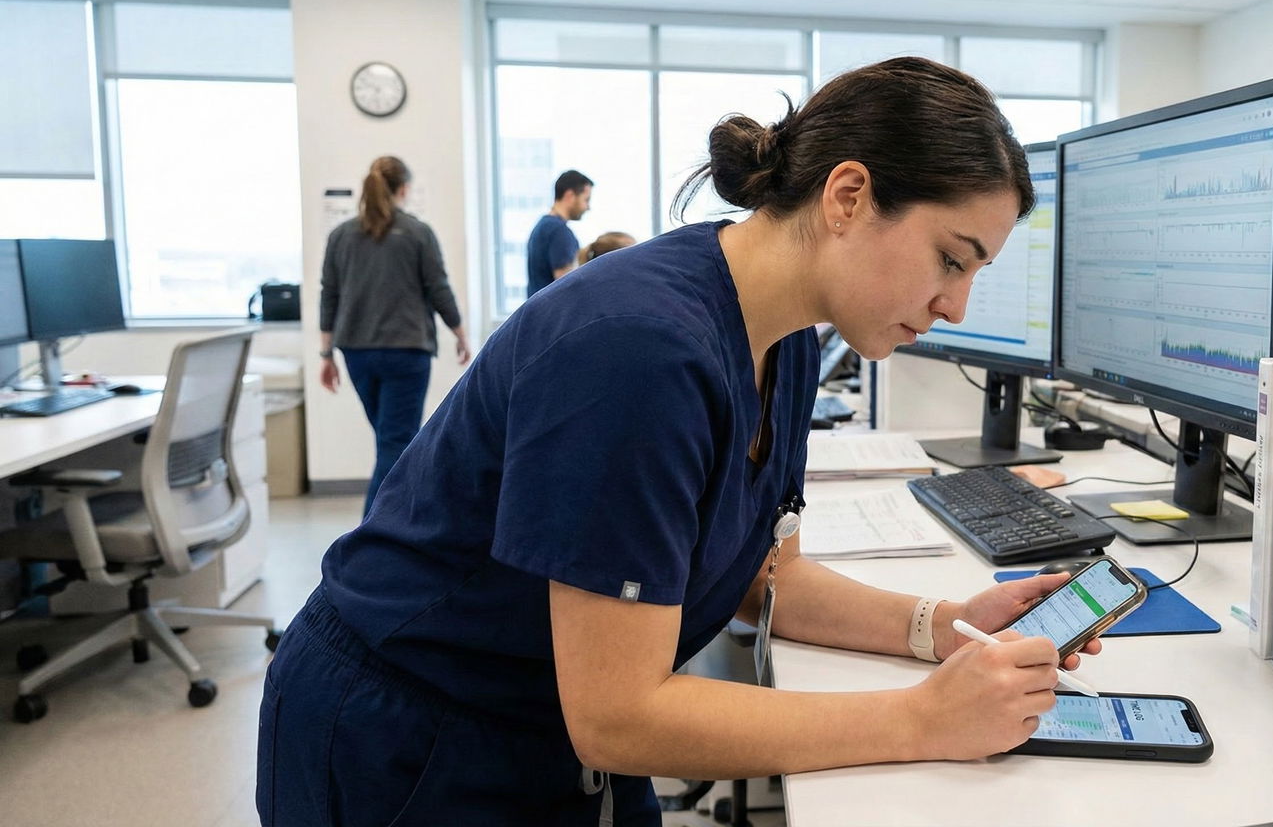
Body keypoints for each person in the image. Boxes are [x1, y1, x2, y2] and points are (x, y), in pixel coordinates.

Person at [259, 58, 1102, 826]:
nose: (955, 305)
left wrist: (945, 628)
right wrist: (922, 719)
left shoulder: (789, 337)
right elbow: (619, 716)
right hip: (410, 736)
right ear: (847, 197)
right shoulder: (640, 349)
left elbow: (766, 574)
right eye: (952, 260)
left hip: (544, 722)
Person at [317, 156, 471, 516]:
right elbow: (439, 289)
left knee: (391, 441)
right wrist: (460, 334)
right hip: (406, 351)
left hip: (356, 352)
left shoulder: (341, 236)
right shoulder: (418, 233)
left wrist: (325, 355)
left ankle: (395, 521)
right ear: (403, 189)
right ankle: (377, 529)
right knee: (396, 444)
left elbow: (329, 294)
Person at [525, 168, 593, 295]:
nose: (588, 207)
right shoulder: (559, 232)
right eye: (586, 200)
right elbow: (566, 286)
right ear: (570, 196)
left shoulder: (542, 225)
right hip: (551, 313)